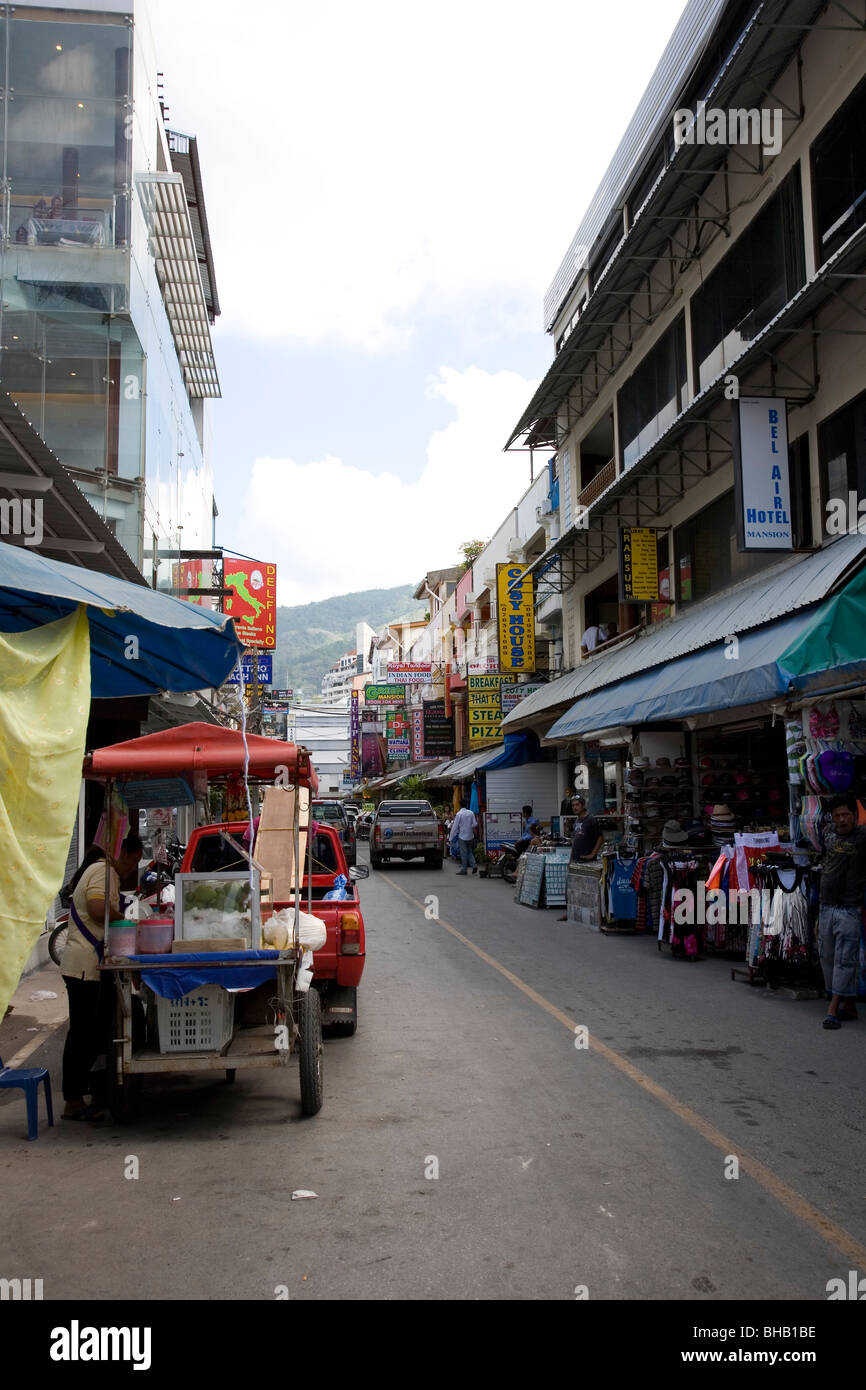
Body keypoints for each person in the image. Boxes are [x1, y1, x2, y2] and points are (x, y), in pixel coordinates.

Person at [60, 833, 144, 1119]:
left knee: (96, 1032)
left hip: (92, 966)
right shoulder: (103, 871)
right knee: (82, 1034)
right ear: (121, 853)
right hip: (84, 967)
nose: (132, 869)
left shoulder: (103, 872)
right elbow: (97, 909)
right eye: (133, 861)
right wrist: (124, 918)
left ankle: (97, 1092)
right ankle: (73, 1100)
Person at [818, 795, 866, 1029]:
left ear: (854, 816)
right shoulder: (827, 834)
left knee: (844, 960)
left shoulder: (863, 837)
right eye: (838, 815)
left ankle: (833, 1007)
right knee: (826, 955)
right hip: (827, 905)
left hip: (849, 907)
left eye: (846, 814)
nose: (842, 819)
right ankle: (849, 1004)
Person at [569, 796, 603, 863]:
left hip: (587, 860)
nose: (574, 807)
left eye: (577, 804)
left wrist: (592, 854)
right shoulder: (576, 821)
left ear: (583, 806)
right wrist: (570, 860)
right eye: (573, 805)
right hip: (575, 859)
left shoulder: (591, 819)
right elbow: (575, 842)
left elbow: (600, 838)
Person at [450, 800, 478, 875]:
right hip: (470, 836)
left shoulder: (459, 814)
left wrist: (451, 838)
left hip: (462, 836)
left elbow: (455, 827)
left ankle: (464, 869)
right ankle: (474, 865)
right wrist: (469, 827)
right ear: (466, 805)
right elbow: (475, 824)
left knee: (463, 853)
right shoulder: (471, 813)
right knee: (469, 851)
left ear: (460, 805)